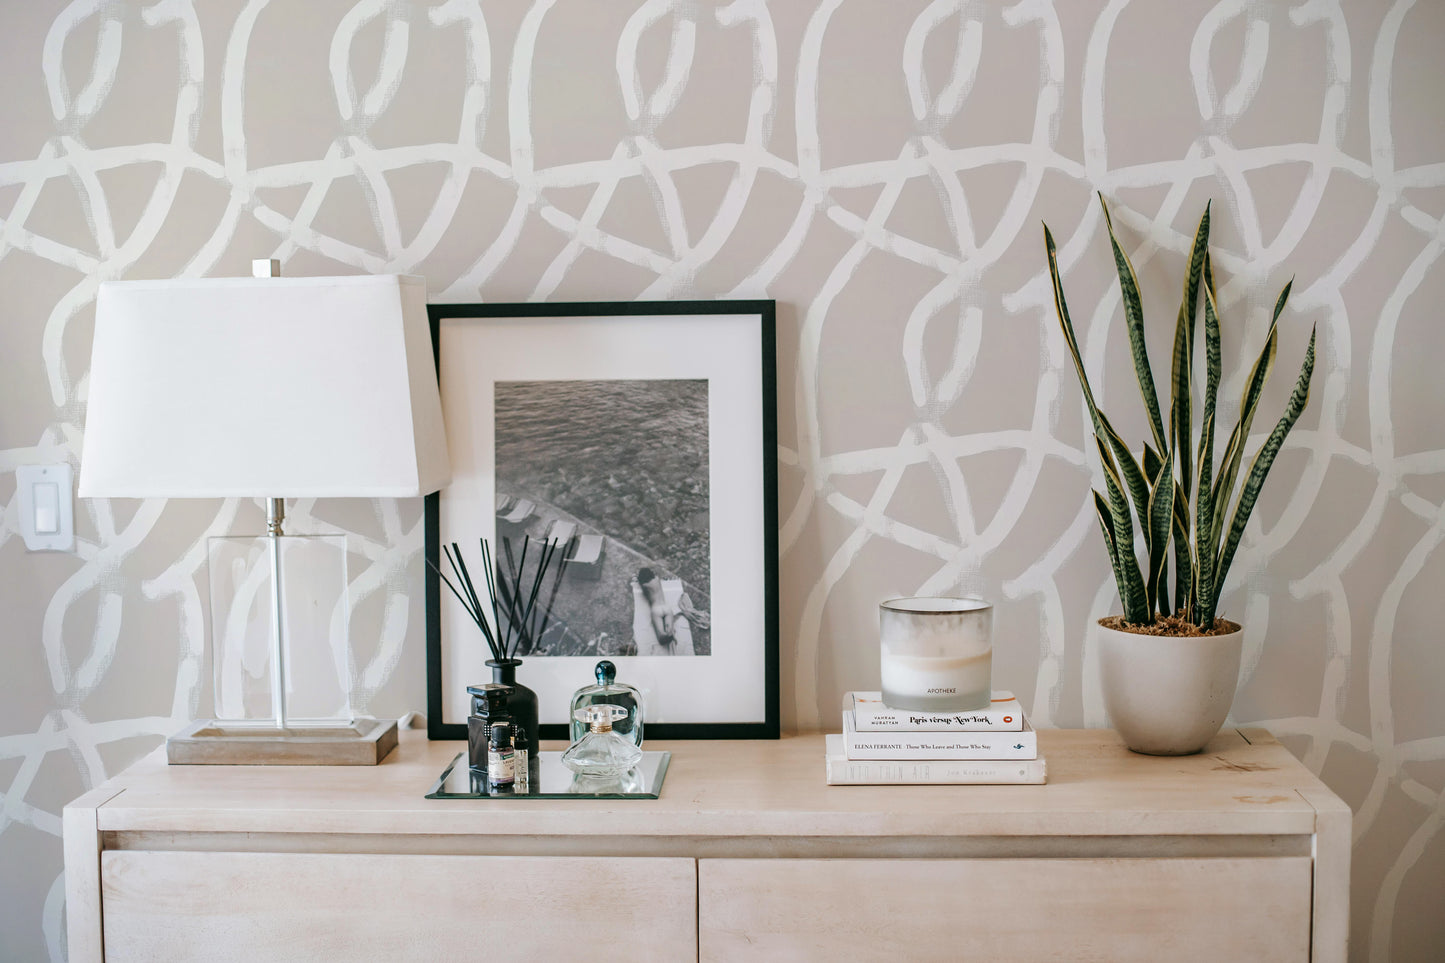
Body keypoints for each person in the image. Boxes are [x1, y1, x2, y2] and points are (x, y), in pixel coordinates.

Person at [637, 567, 675, 647]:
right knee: (670, 630)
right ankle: (670, 632)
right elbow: (655, 572)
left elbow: (639, 583)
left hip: (656, 609)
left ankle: (664, 635)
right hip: (666, 607)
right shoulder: (657, 579)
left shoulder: (645, 585)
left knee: (661, 636)